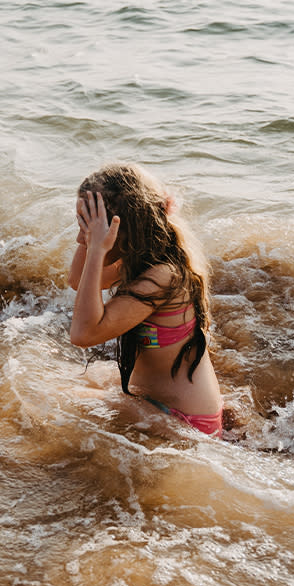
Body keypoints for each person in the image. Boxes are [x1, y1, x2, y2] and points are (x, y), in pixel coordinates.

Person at [68, 163, 223, 436]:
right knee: (52, 379)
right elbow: (78, 281)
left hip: (186, 422)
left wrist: (96, 247)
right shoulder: (143, 257)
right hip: (158, 402)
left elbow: (83, 334)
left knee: (48, 395)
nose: (81, 236)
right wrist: (90, 242)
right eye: (82, 225)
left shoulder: (163, 277)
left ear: (125, 228)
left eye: (88, 228)